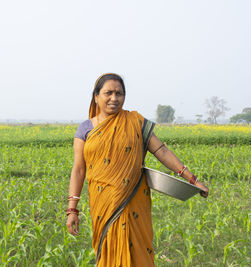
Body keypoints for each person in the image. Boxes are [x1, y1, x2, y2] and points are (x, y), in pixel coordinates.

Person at [66, 73, 209, 266]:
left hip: (133, 199)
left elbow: (162, 151)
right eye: (108, 93)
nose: (114, 98)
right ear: (96, 96)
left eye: (119, 93)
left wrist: (192, 179)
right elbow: (78, 170)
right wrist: (72, 210)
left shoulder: (136, 123)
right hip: (103, 203)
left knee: (138, 251)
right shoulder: (85, 129)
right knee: (108, 250)